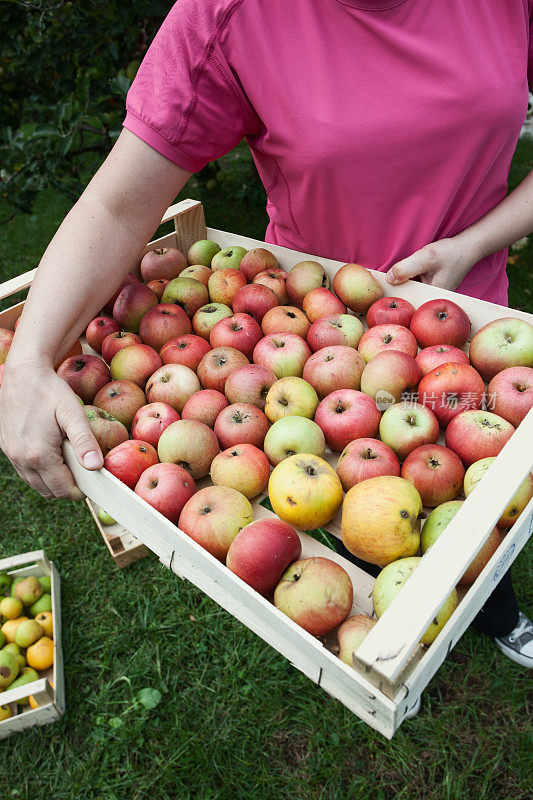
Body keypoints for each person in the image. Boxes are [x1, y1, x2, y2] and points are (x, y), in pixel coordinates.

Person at [1, 0, 532, 687]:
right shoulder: (229, 14)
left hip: (459, 330)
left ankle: (495, 613)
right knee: (348, 521)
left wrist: (472, 243)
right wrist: (27, 359)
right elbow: (117, 203)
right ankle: (373, 625)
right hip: (304, 335)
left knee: (474, 496)